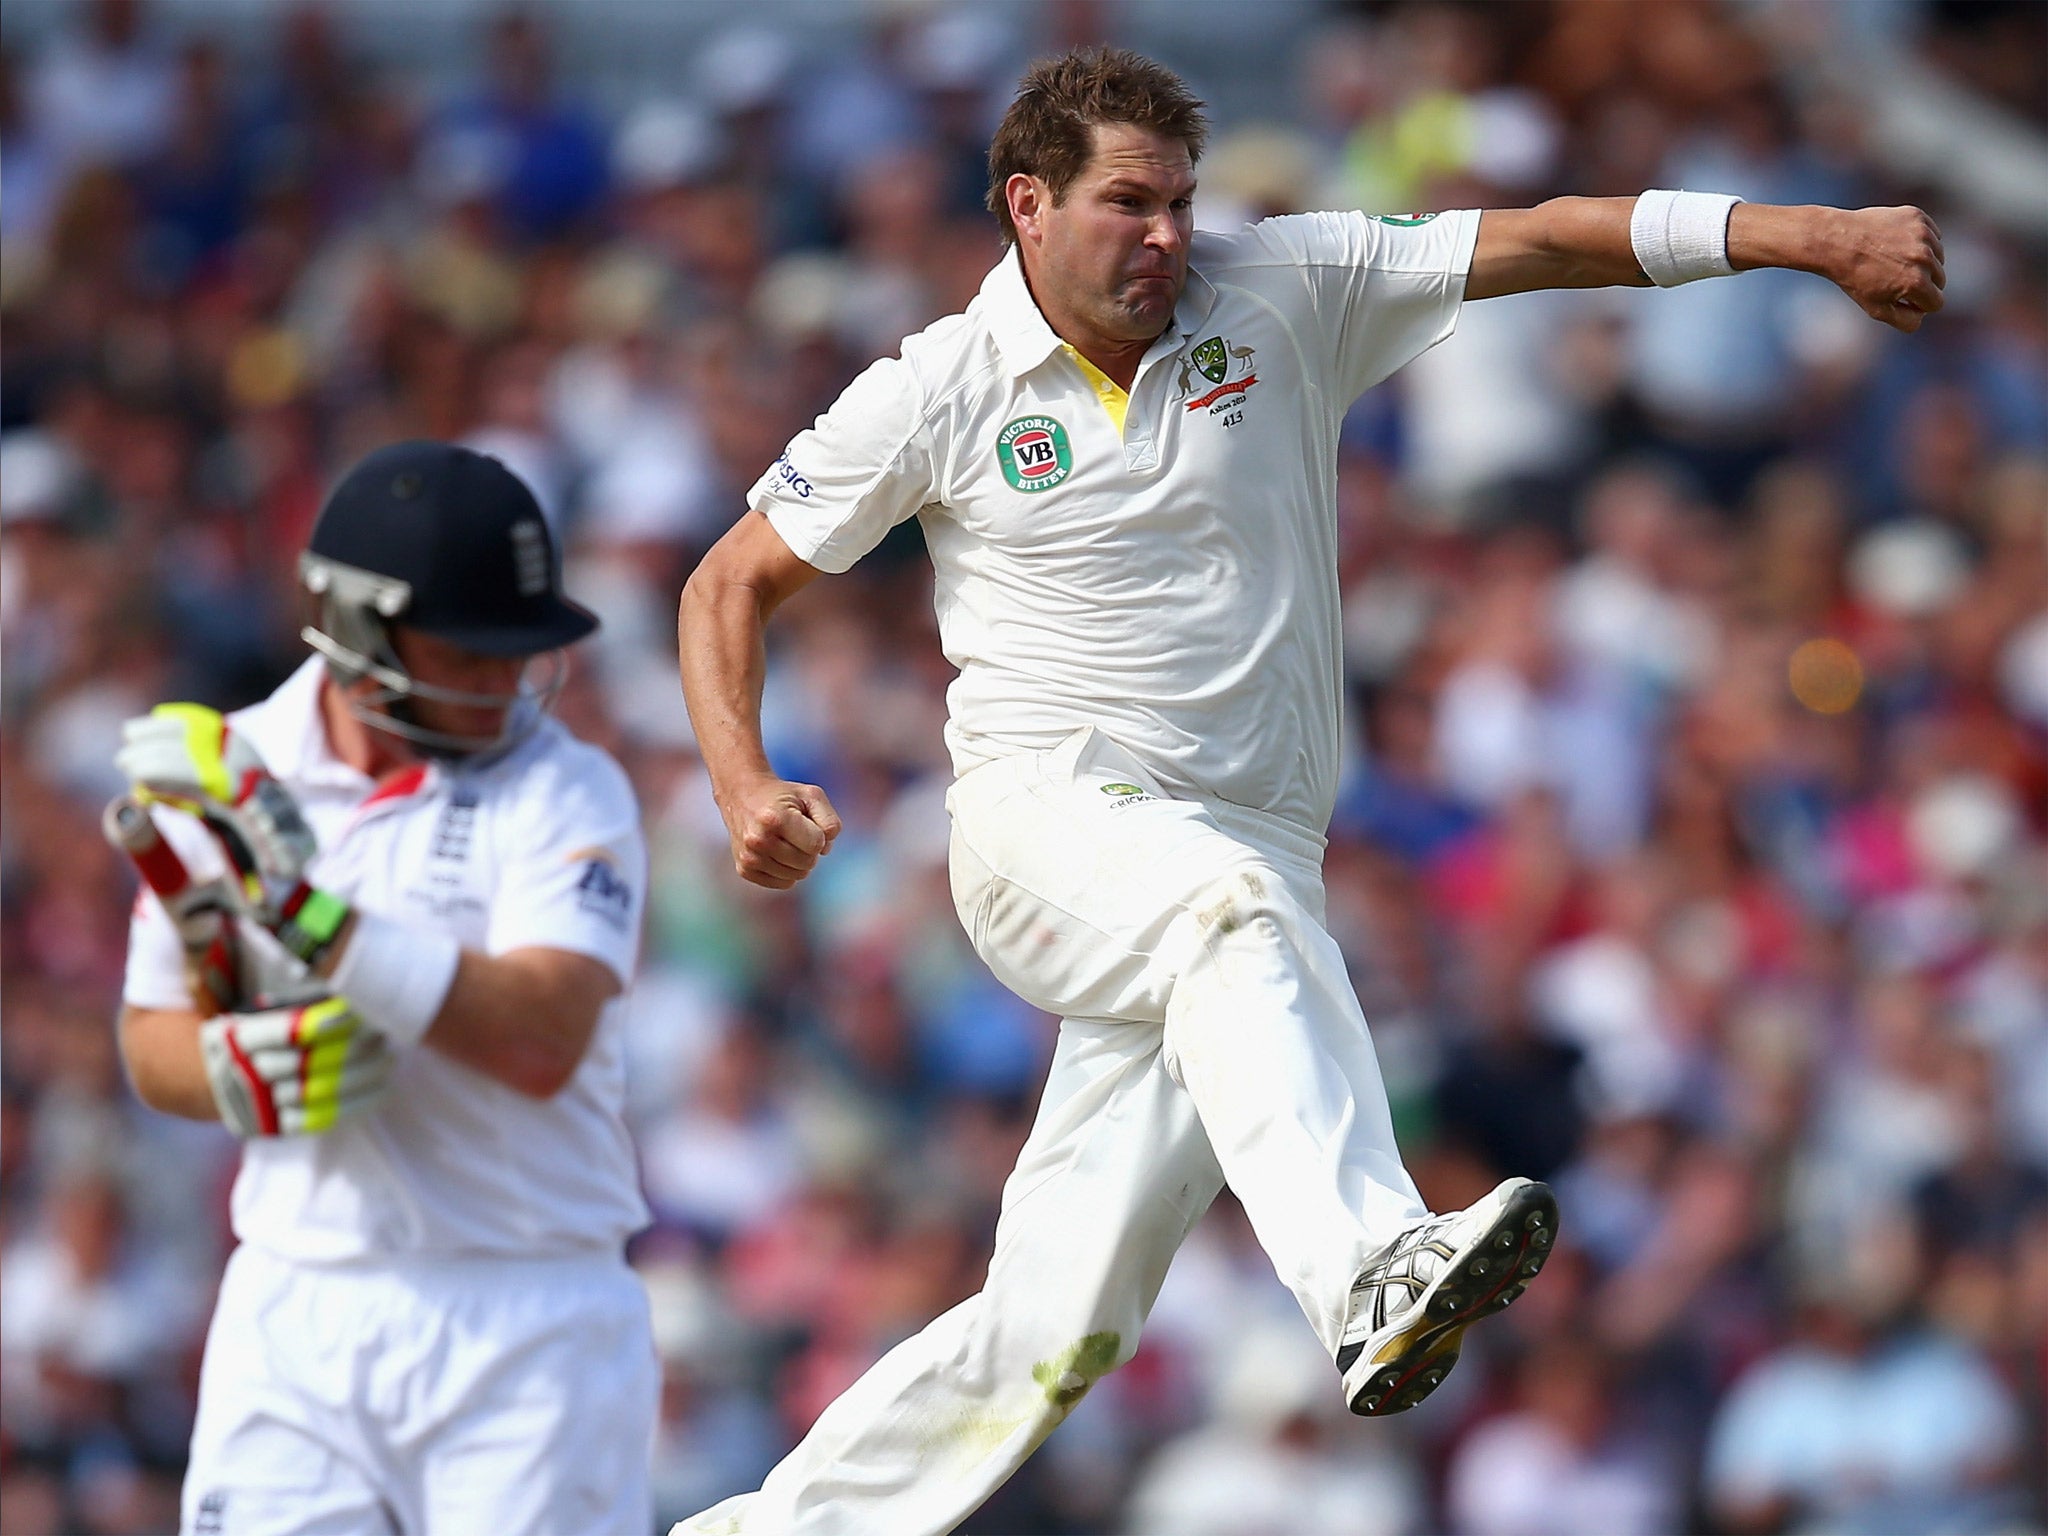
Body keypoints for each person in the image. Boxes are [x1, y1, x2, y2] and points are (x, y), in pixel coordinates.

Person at [674, 46, 1945, 1536]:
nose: (1166, 235)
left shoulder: (1282, 288)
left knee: (1055, 1329)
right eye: (1127, 203)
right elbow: (727, 582)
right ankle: (1372, 1270)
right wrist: (741, 778)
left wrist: (1815, 237)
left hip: (1244, 857)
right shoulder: (939, 388)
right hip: (1047, 824)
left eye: (1181, 202)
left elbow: (1541, 237)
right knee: (1231, 912)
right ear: (1026, 203)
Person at [113, 441, 657, 1536]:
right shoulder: (231, 771)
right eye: (470, 652)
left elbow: (541, 1038)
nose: (507, 682)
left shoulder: (567, 790)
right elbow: (148, 1036)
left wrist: (303, 908)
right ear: (358, 632)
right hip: (296, 1303)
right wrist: (232, 1073)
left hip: (527, 1317)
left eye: (519, 650)